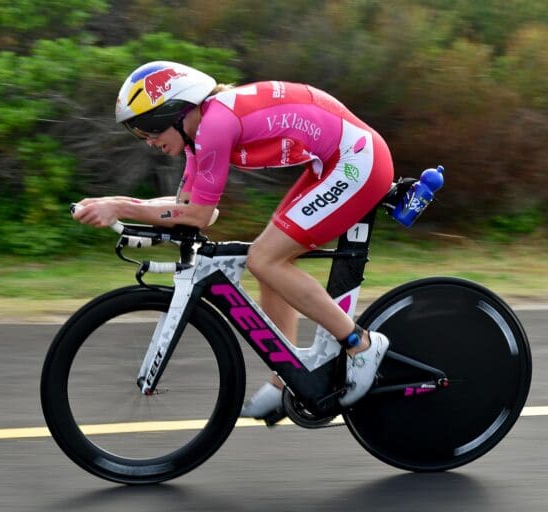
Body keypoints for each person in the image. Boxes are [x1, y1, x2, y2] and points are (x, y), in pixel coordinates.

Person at [73, 61, 394, 418]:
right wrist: (117, 206)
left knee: (264, 259)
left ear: (178, 110)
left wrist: (118, 206)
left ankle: (360, 344)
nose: (148, 140)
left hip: (356, 163)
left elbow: (195, 215)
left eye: (149, 127)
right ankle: (288, 378)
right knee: (268, 262)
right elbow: (195, 210)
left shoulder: (215, 125)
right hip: (333, 162)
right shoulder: (199, 134)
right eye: (138, 132)